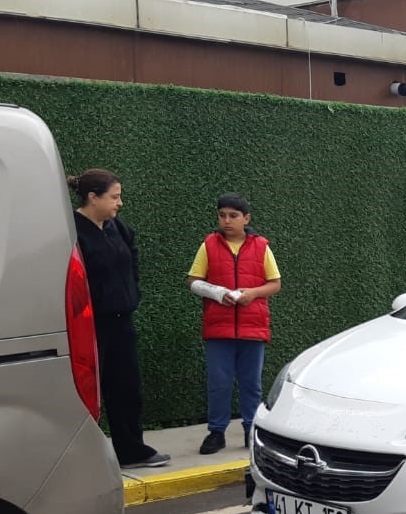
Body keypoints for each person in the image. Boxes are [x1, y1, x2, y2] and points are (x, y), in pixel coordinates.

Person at [68, 169, 170, 470]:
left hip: (121, 321)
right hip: (90, 325)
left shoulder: (118, 228)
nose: (120, 203)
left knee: (126, 388)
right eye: (114, 196)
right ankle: (83, 457)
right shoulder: (72, 231)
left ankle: (131, 451)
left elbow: (132, 261)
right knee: (88, 390)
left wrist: (132, 296)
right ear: (92, 197)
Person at [186, 193, 282, 455]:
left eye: (233, 216)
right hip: (219, 328)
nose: (226, 221)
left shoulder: (262, 246)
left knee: (252, 383)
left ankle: (252, 430)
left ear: (246, 218)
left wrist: (251, 294)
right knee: (219, 382)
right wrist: (218, 293)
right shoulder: (208, 245)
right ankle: (216, 432)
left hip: (253, 328)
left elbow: (275, 283)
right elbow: (193, 280)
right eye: (222, 215)